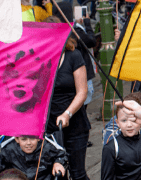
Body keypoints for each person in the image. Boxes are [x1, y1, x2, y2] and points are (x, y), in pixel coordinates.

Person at [44, 16, 90, 180]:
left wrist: (67, 114)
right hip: (48, 127)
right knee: (57, 173)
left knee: (78, 173)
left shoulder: (74, 56)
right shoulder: (40, 58)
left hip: (74, 123)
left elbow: (82, 92)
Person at [0, 134, 67, 180]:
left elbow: (61, 155)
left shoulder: (46, 147)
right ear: (17, 139)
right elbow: (1, 161)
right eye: (24, 139)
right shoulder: (10, 149)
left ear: (38, 138)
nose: (28, 143)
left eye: (32, 138)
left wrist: (58, 163)